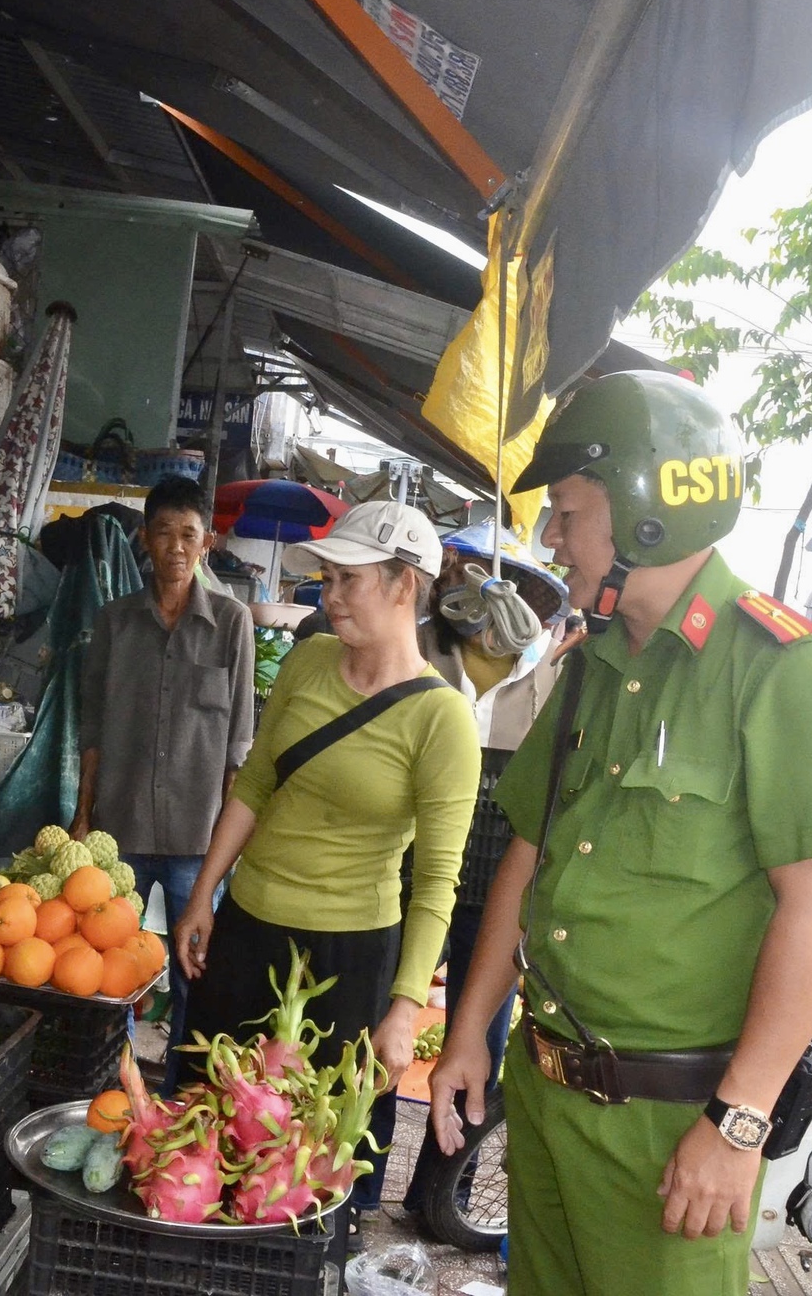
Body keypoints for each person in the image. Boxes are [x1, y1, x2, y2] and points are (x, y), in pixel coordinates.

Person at [429, 371, 812, 1296]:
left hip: (670, 1126)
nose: (552, 537)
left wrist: (740, 1122)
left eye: (568, 511)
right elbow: (530, 852)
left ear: (647, 515)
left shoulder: (781, 672)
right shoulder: (593, 666)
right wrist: (468, 1029)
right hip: (544, 1096)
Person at [173, 499, 479, 1247]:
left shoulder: (443, 722)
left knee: (309, 1159)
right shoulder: (309, 659)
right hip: (248, 930)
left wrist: (406, 1007)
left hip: (349, 959)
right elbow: (253, 785)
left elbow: (436, 882)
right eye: (327, 578)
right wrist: (204, 893)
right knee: (212, 1130)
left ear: (406, 585)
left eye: (348, 580)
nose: (329, 595)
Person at [369, 520, 569, 1223]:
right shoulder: (419, 651)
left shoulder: (552, 673)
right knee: (387, 1026)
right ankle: (359, 1180)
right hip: (410, 877)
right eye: (481, 577)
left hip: (497, 890)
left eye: (511, 583)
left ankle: (442, 1195)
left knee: (477, 1041)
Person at [73, 475, 255, 1090]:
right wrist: (82, 815)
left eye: (188, 534)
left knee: (193, 971)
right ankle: (110, 1083)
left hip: (197, 838)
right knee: (108, 965)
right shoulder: (115, 622)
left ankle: (183, 1091)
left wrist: (229, 847)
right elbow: (92, 728)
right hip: (120, 826)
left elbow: (238, 749)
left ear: (206, 543)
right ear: (144, 541)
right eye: (163, 534)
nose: (176, 547)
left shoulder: (232, 623)